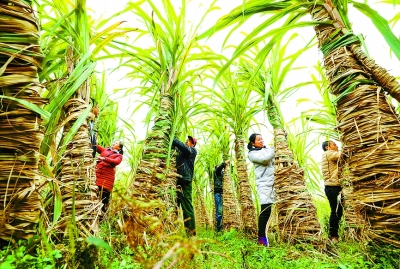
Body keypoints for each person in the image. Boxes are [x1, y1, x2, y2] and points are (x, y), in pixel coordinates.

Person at [247, 133, 276, 247]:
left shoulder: (268, 149)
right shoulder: (252, 154)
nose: (261, 140)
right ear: (253, 143)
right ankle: (261, 239)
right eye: (258, 139)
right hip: (264, 184)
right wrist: (274, 148)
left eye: (262, 138)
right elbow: (265, 160)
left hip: (275, 182)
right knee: (266, 210)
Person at [172, 135, 197, 235]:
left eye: (189, 141)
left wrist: (173, 139)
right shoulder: (181, 153)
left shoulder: (192, 151)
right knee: (174, 205)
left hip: (185, 181)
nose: (187, 141)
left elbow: (183, 147)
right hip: (177, 181)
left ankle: (191, 234)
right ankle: (173, 231)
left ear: (193, 144)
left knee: (187, 208)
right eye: (186, 140)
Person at [321, 140, 343, 243]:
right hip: (332, 187)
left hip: (334, 186)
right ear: (327, 147)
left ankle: (334, 235)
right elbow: (343, 155)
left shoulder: (330, 153)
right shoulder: (329, 153)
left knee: (338, 211)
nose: (337, 145)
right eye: (334, 144)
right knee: (335, 211)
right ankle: (333, 236)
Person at [96, 141, 123, 213]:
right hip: (97, 175)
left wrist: (104, 159)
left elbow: (116, 162)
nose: (114, 143)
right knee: (94, 194)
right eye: (114, 142)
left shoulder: (119, 156)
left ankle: (102, 217)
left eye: (116, 143)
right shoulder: (105, 150)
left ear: (119, 147)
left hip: (107, 179)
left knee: (104, 198)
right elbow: (95, 145)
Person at [213, 159, 230, 232]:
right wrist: (225, 162)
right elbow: (220, 167)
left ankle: (224, 228)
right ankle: (219, 230)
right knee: (219, 212)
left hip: (224, 193)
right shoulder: (216, 171)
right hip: (218, 193)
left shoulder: (222, 174)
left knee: (223, 211)